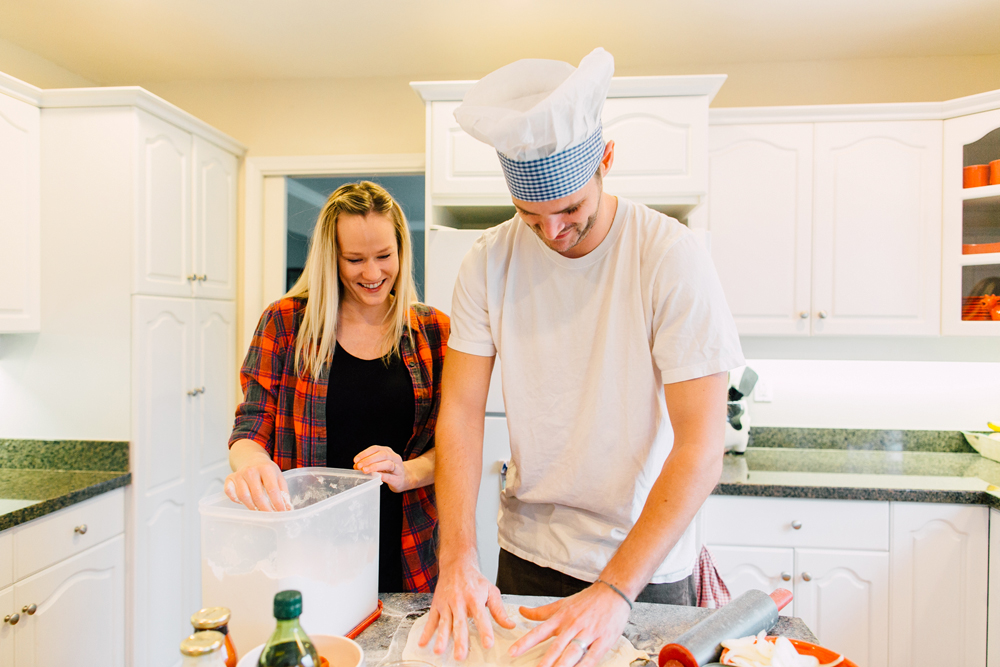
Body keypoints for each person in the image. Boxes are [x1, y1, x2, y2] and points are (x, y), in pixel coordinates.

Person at [418, 48, 745, 665]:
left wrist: (616, 589)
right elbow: (460, 413)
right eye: (529, 215)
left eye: (569, 209)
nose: (552, 234)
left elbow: (701, 443)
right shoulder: (488, 263)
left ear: (606, 161)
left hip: (642, 565)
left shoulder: (668, 257)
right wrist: (457, 557)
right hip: (526, 554)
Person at [225, 181, 450, 593]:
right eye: (354, 259)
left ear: (402, 249)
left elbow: (456, 448)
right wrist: (253, 464)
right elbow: (249, 430)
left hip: (408, 548)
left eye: (384, 256)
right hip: (305, 548)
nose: (372, 273)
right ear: (331, 258)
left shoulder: (434, 332)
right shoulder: (286, 324)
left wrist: (406, 471)